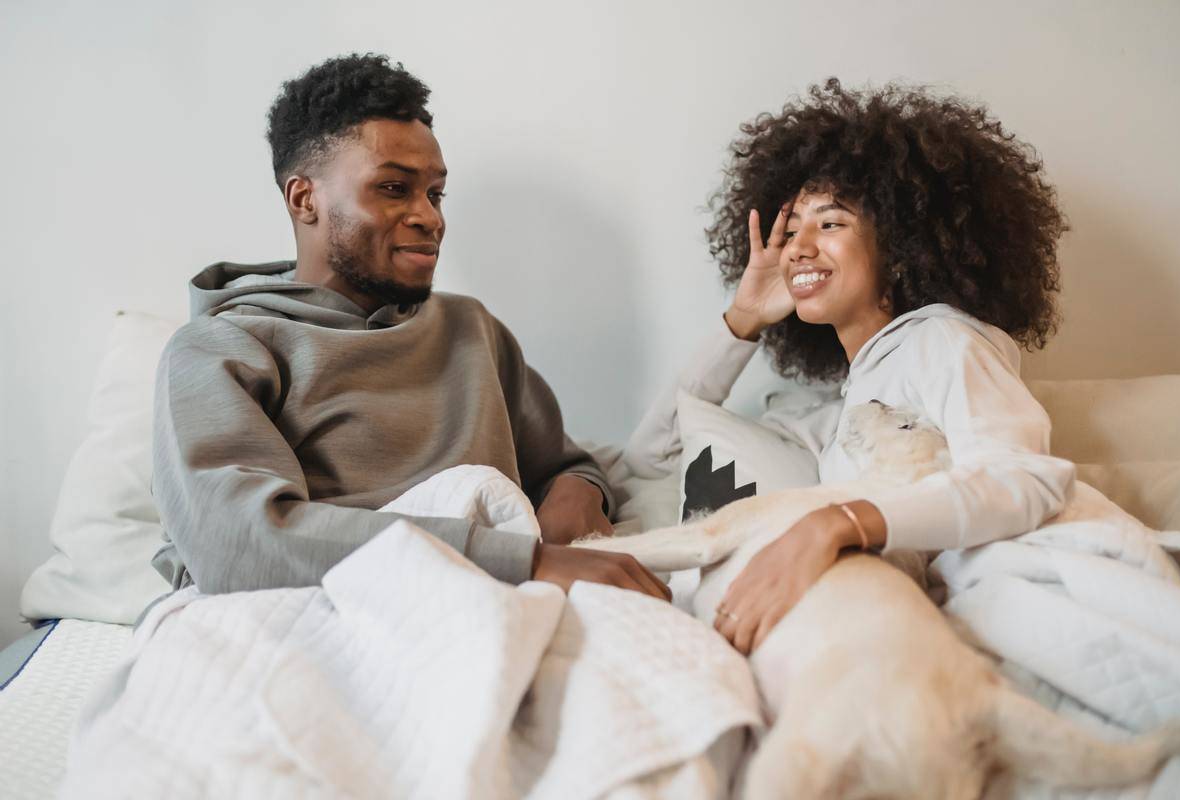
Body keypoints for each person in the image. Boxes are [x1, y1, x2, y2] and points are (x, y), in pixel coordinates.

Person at [151, 54, 668, 602]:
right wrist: (525, 560)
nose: (431, 217)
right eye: (395, 189)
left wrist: (576, 493)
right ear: (305, 200)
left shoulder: (473, 331)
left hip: (502, 599)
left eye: (435, 193)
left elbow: (566, 465)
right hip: (320, 608)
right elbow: (240, 545)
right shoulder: (221, 349)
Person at [626, 78, 1075, 653]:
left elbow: (1026, 478)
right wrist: (744, 319)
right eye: (791, 231)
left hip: (972, 627)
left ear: (901, 243)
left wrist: (840, 523)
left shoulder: (942, 342)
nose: (798, 248)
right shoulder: (836, 418)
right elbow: (649, 456)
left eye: (830, 223)